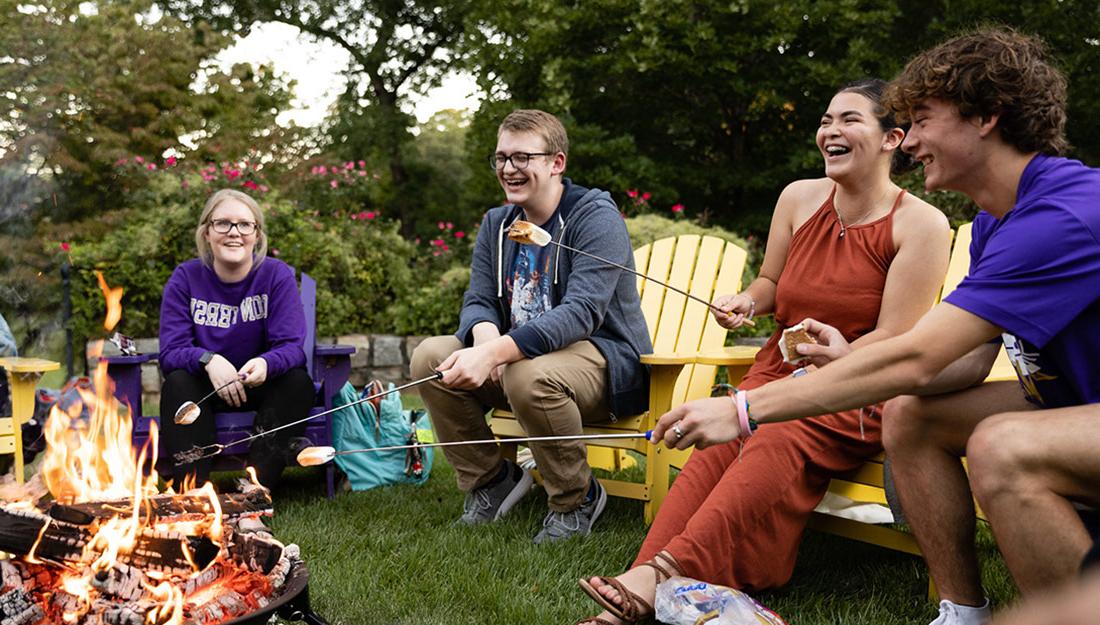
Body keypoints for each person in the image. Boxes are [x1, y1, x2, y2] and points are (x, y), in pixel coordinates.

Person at [654, 29, 1100, 625]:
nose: (909, 140)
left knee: (1002, 445)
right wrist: (849, 365)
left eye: (921, 121)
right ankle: (962, 610)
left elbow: (914, 356)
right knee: (911, 414)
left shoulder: (1061, 215)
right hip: (1069, 401)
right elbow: (961, 361)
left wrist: (743, 411)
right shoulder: (999, 221)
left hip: (1076, 411)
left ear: (987, 116)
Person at [577, 80, 950, 624]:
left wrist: (842, 354)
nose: (830, 131)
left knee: (777, 431)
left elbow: (896, 339)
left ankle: (653, 582)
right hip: (774, 373)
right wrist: (746, 303)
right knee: (718, 446)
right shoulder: (798, 198)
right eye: (825, 120)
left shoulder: (920, 224)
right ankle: (654, 585)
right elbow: (771, 280)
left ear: (893, 138)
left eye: (848, 120)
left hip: (854, 388)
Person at [409, 109, 652, 544]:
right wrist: (486, 338)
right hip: (516, 362)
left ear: (556, 162)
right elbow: (480, 299)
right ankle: (491, 480)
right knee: (430, 355)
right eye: (501, 158)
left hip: (604, 364)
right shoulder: (497, 224)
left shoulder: (595, 218)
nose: (508, 168)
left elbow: (582, 312)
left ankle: (575, 499)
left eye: (522, 157)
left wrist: (500, 352)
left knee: (528, 372)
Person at [159, 188, 314, 490]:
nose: (234, 233)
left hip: (258, 384)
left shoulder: (275, 276)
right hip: (205, 388)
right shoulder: (185, 278)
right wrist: (208, 360)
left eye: (245, 224)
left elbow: (292, 348)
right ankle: (194, 491)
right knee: (178, 383)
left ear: (257, 234)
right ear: (206, 232)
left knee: (297, 383)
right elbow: (171, 352)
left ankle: (256, 486)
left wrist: (265, 364)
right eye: (223, 224)